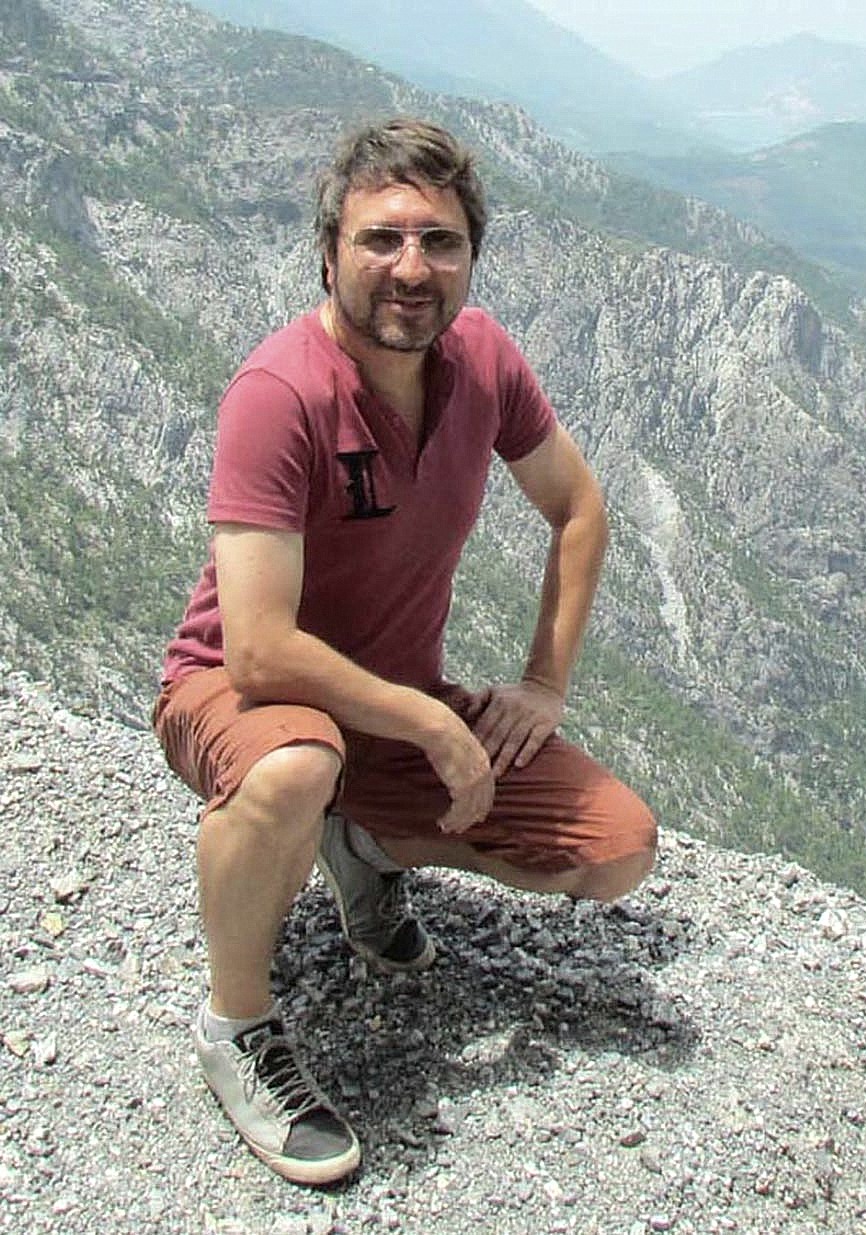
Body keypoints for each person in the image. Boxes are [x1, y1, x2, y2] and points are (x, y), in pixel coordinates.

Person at [153, 116, 657, 1186]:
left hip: (387, 706)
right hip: (237, 694)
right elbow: (258, 649)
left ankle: (364, 847)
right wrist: (433, 720)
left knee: (617, 848)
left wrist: (544, 683)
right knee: (295, 765)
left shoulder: (485, 363)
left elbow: (578, 507)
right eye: (381, 238)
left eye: (441, 241)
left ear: (472, 256)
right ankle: (237, 1027)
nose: (412, 268)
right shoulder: (281, 394)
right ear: (329, 249)